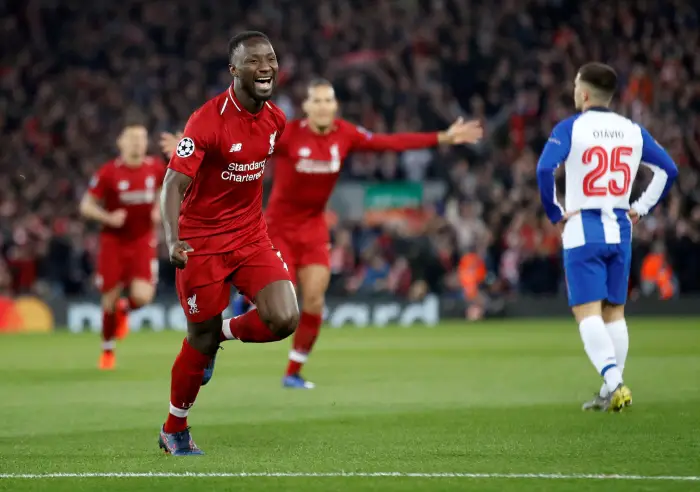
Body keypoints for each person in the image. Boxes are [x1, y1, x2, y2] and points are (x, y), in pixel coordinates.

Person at [161, 79, 483, 389]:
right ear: (306, 106)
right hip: (277, 227)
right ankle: (215, 332)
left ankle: (292, 371)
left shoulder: (345, 134)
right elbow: (242, 146)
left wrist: (443, 137)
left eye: (328, 100)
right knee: (266, 294)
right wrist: (196, 147)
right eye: (317, 100)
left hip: (314, 228)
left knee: (314, 297)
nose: (323, 106)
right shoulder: (288, 133)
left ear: (335, 105)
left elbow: (389, 142)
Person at [158, 31, 299, 456]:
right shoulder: (206, 120)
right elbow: (172, 184)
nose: (266, 67)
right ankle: (173, 429)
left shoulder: (276, 119)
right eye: (255, 61)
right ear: (234, 70)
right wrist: (173, 239)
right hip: (201, 243)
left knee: (285, 318)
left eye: (271, 59)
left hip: (251, 237)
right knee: (196, 340)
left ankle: (221, 333)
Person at [536, 62, 678, 412]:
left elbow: (543, 169)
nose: (572, 91)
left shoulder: (571, 127)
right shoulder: (632, 129)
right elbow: (668, 170)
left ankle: (615, 384)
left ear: (584, 93)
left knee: (587, 313)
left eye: (574, 85)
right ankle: (609, 388)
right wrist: (641, 208)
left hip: (583, 227)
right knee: (615, 312)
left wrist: (555, 213)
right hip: (620, 228)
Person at [79, 121, 165, 370]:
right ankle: (107, 350)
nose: (137, 142)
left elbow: (166, 189)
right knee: (109, 297)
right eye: (132, 138)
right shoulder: (109, 173)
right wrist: (108, 218)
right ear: (121, 143)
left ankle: (125, 311)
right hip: (113, 241)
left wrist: (158, 208)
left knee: (143, 296)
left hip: (142, 240)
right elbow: (86, 205)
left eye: (142, 138)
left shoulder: (156, 169)